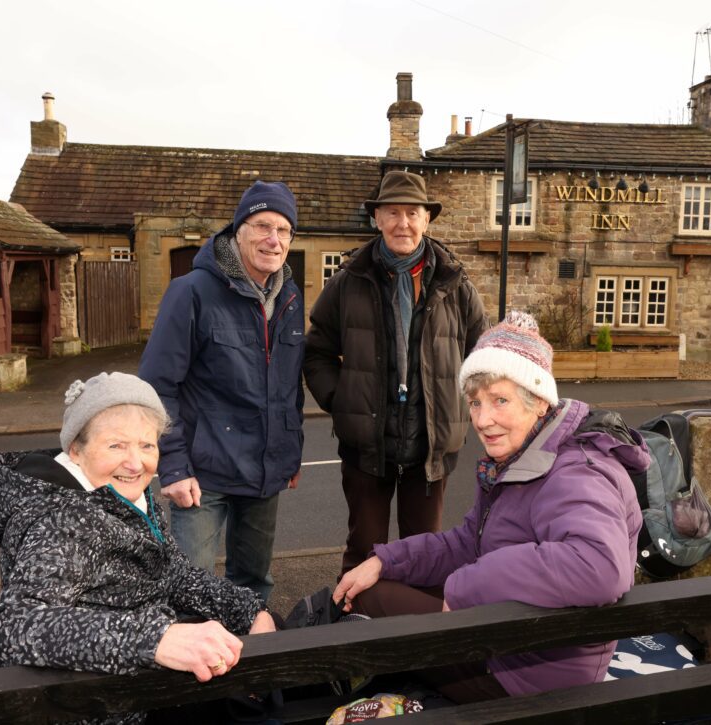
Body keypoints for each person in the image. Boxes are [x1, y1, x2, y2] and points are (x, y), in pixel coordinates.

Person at [332, 312, 647, 703]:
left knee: (369, 601)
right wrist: (385, 560)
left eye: (500, 400)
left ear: (538, 402)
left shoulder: (575, 470)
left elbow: (599, 566)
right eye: (475, 402)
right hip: (513, 642)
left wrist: (468, 587)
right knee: (378, 583)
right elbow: (467, 544)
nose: (483, 419)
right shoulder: (520, 457)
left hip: (529, 677)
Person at [0, 373, 275, 713]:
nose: (136, 463)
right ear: (76, 449)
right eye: (116, 445)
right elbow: (16, 624)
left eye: (147, 445)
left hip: (143, 689)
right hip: (97, 706)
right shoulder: (64, 520)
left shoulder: (123, 495)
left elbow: (172, 572)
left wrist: (248, 609)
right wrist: (155, 639)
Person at [304, 170, 487, 577]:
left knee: (423, 557)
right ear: (378, 219)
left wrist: (464, 409)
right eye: (392, 213)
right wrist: (341, 399)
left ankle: (414, 638)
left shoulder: (455, 284)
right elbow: (316, 352)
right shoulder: (348, 280)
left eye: (412, 213)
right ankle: (358, 631)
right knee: (362, 553)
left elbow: (482, 357)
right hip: (366, 450)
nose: (402, 223)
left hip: (429, 451)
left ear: (427, 219)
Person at [139, 181, 304, 603]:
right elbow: (157, 386)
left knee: (252, 585)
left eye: (284, 230)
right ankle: (189, 667)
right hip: (202, 475)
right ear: (238, 231)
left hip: (264, 471)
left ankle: (246, 663)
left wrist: (290, 450)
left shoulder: (289, 295)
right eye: (263, 225)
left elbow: (288, 383)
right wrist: (173, 466)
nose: (274, 239)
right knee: (188, 590)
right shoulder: (191, 292)